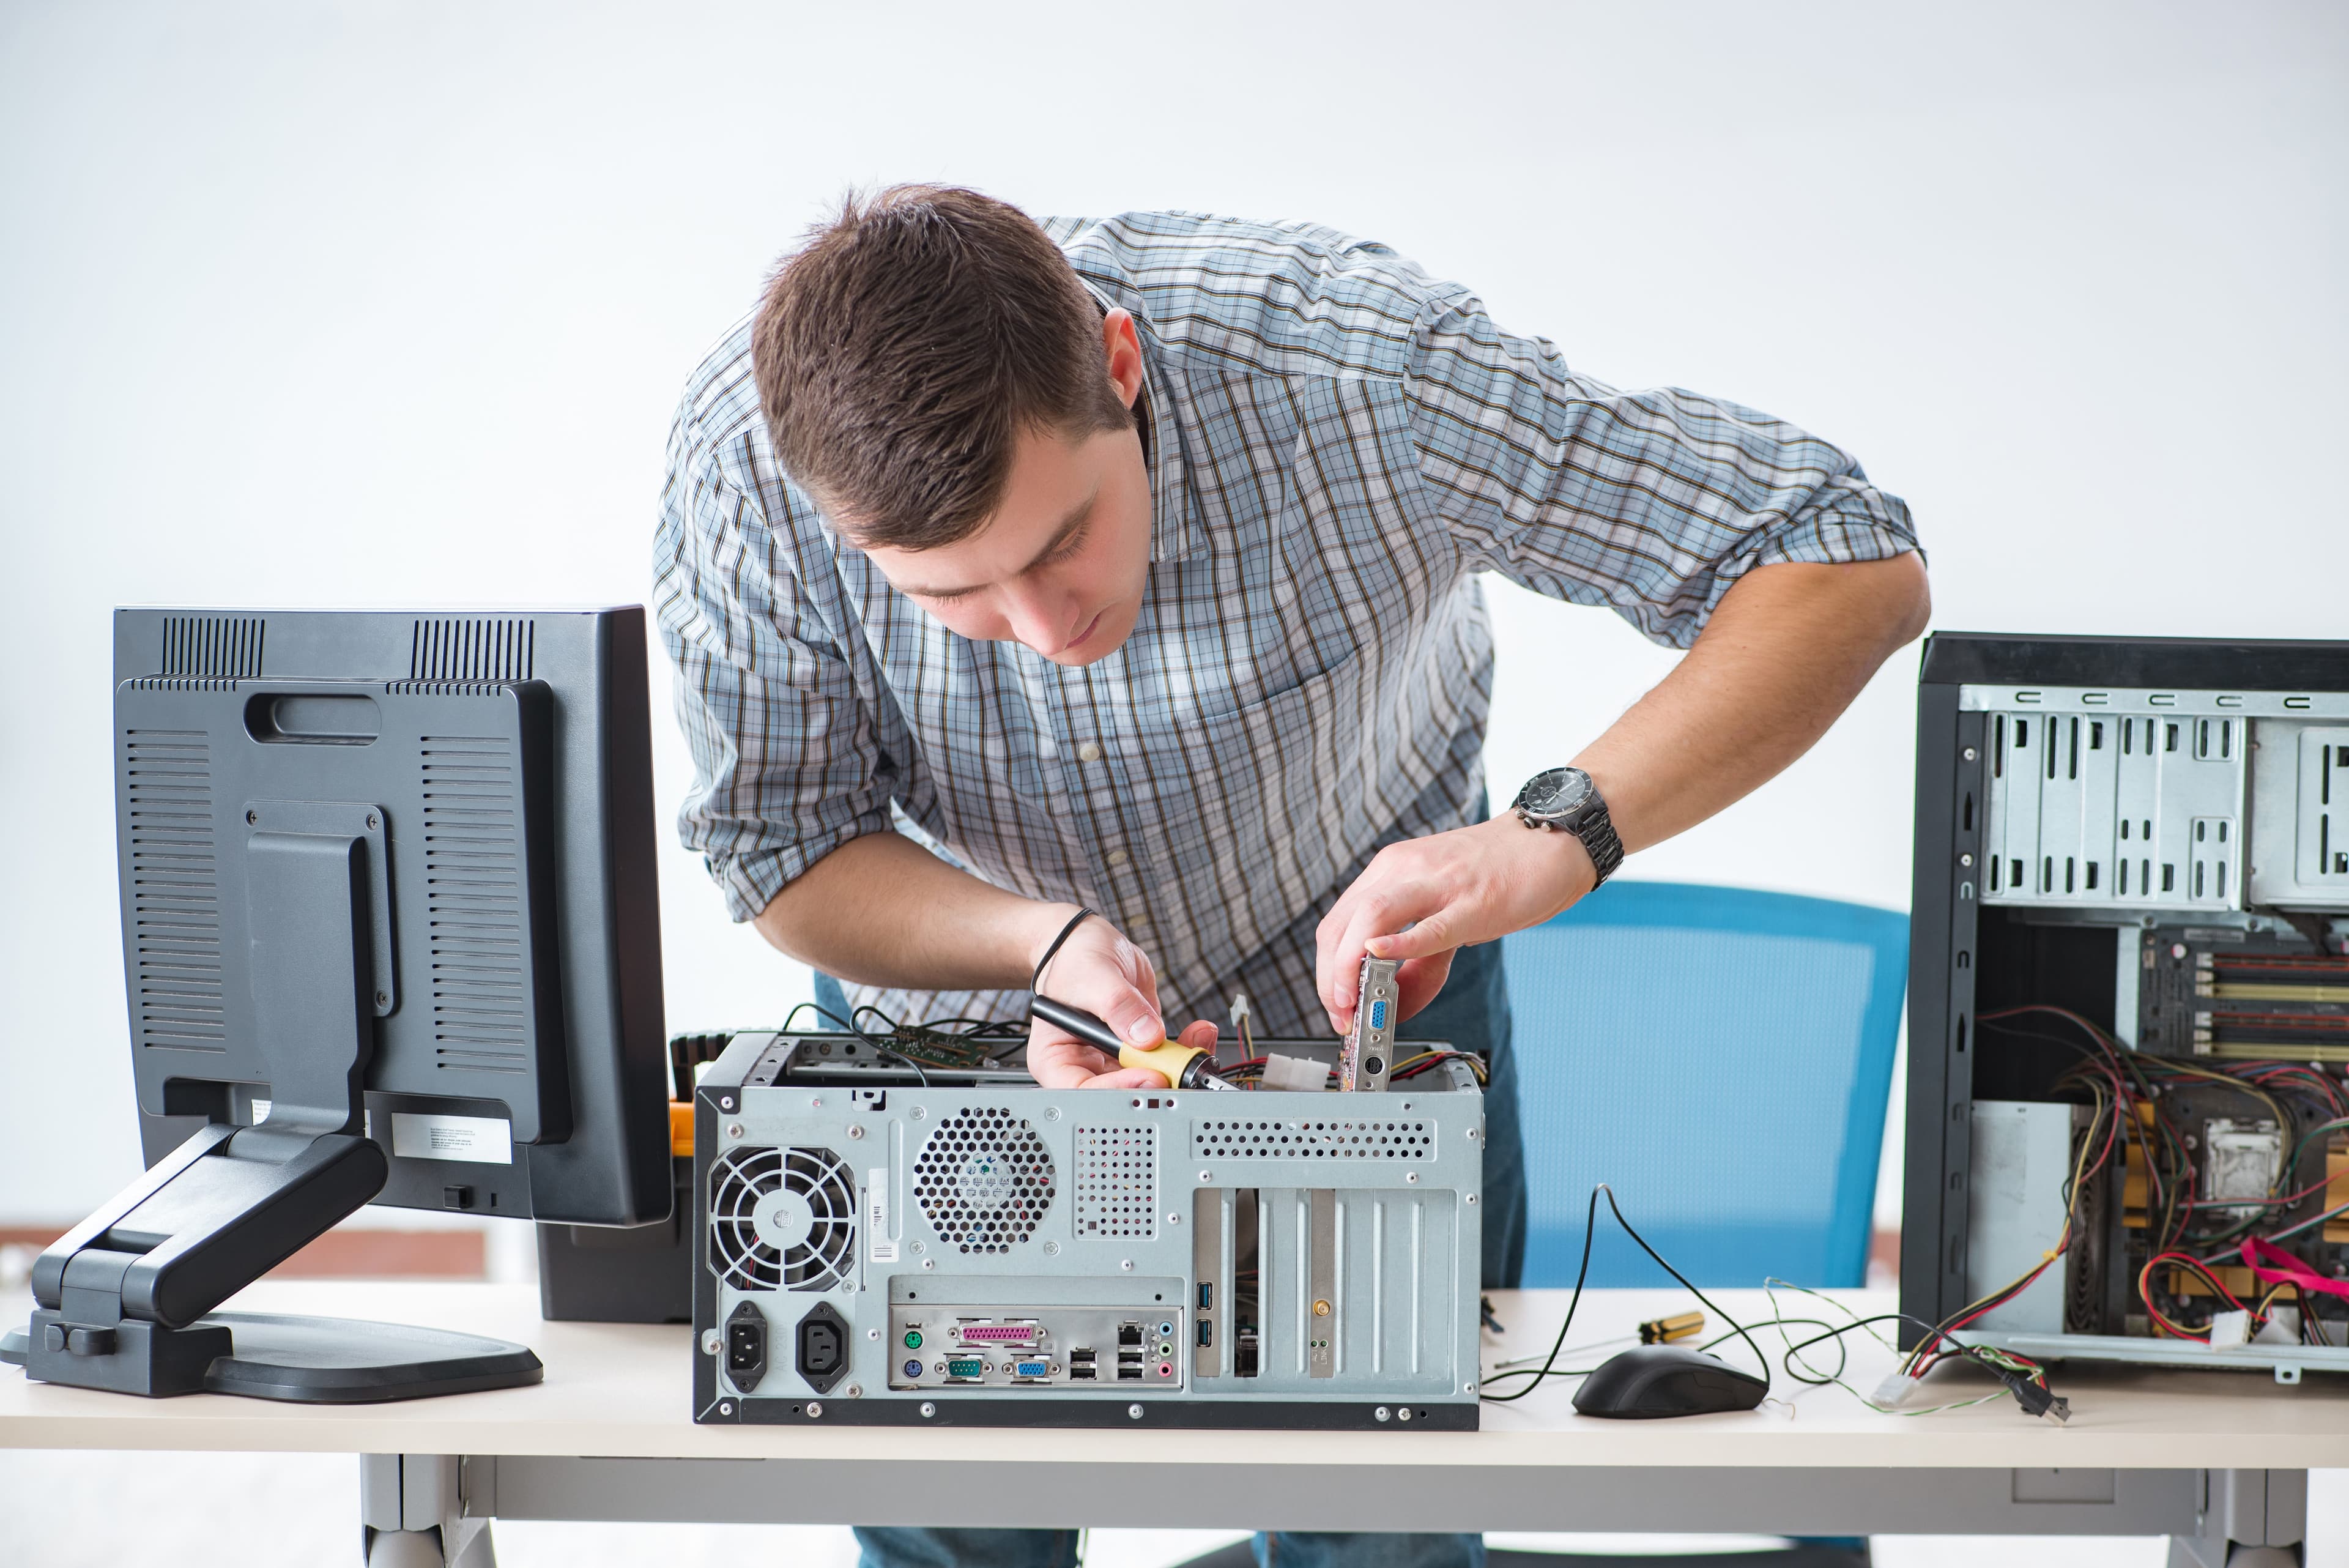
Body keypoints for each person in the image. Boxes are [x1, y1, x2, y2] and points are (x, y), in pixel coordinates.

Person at [655, 186, 1929, 1568]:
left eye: (1061, 537)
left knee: (1374, 1538)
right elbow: (784, 848)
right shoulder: (745, 471)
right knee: (959, 1545)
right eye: (952, 595)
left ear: (1121, 364)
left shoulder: (1358, 370)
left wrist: (1556, 834)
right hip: (976, 1048)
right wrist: (1039, 946)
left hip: (1367, 1027)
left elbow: (1845, 556)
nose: (1037, 628)